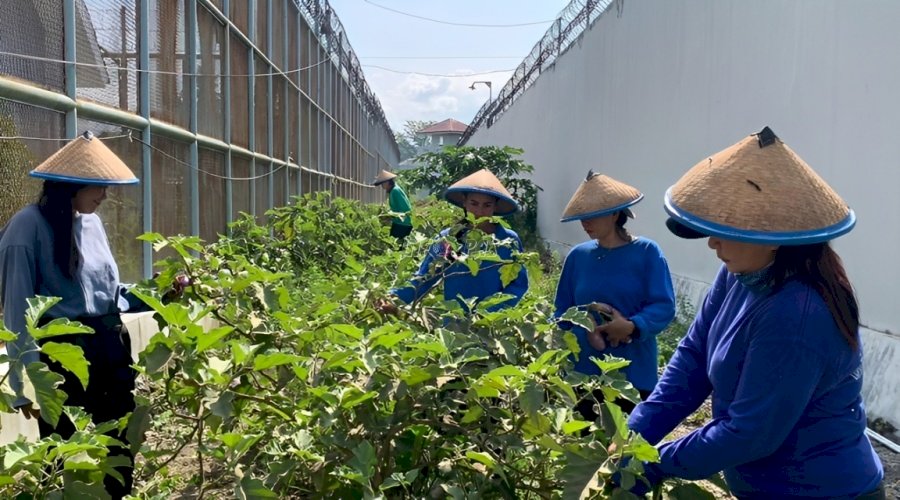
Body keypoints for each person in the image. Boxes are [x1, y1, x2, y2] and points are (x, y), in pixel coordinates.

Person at [625, 127, 884, 499]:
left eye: (725, 230)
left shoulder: (797, 314)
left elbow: (749, 433)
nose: (712, 242)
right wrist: (632, 436)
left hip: (820, 490)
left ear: (773, 235)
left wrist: (651, 464)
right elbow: (693, 358)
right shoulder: (740, 273)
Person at [0, 132, 174, 498]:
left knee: (119, 442)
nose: (104, 195)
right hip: (62, 352)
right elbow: (18, 308)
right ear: (70, 187)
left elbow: (111, 296)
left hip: (111, 347)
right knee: (60, 448)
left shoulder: (92, 224)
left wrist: (160, 293)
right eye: (97, 187)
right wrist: (22, 385)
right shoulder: (27, 226)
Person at [553, 171, 675, 418]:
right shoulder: (578, 256)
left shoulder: (646, 252)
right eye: (581, 217)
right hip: (582, 370)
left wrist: (631, 326)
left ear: (615, 213)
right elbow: (562, 311)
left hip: (631, 369)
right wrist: (580, 332)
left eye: (592, 216)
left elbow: (663, 305)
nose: (585, 223)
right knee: (581, 445)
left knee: (626, 445)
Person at [376, 169, 528, 315]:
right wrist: (394, 298)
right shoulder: (451, 239)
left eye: (487, 205)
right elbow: (425, 277)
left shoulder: (507, 241)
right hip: (454, 320)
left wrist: (491, 312)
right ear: (464, 202)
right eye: (474, 204)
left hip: (492, 324)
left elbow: (518, 284)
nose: (480, 212)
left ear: (495, 206)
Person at [373, 170, 413, 242]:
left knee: (397, 246)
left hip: (402, 223)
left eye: (382, 184)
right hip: (400, 222)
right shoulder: (394, 190)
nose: (382, 186)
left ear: (387, 182)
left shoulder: (395, 191)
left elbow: (404, 208)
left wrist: (390, 216)